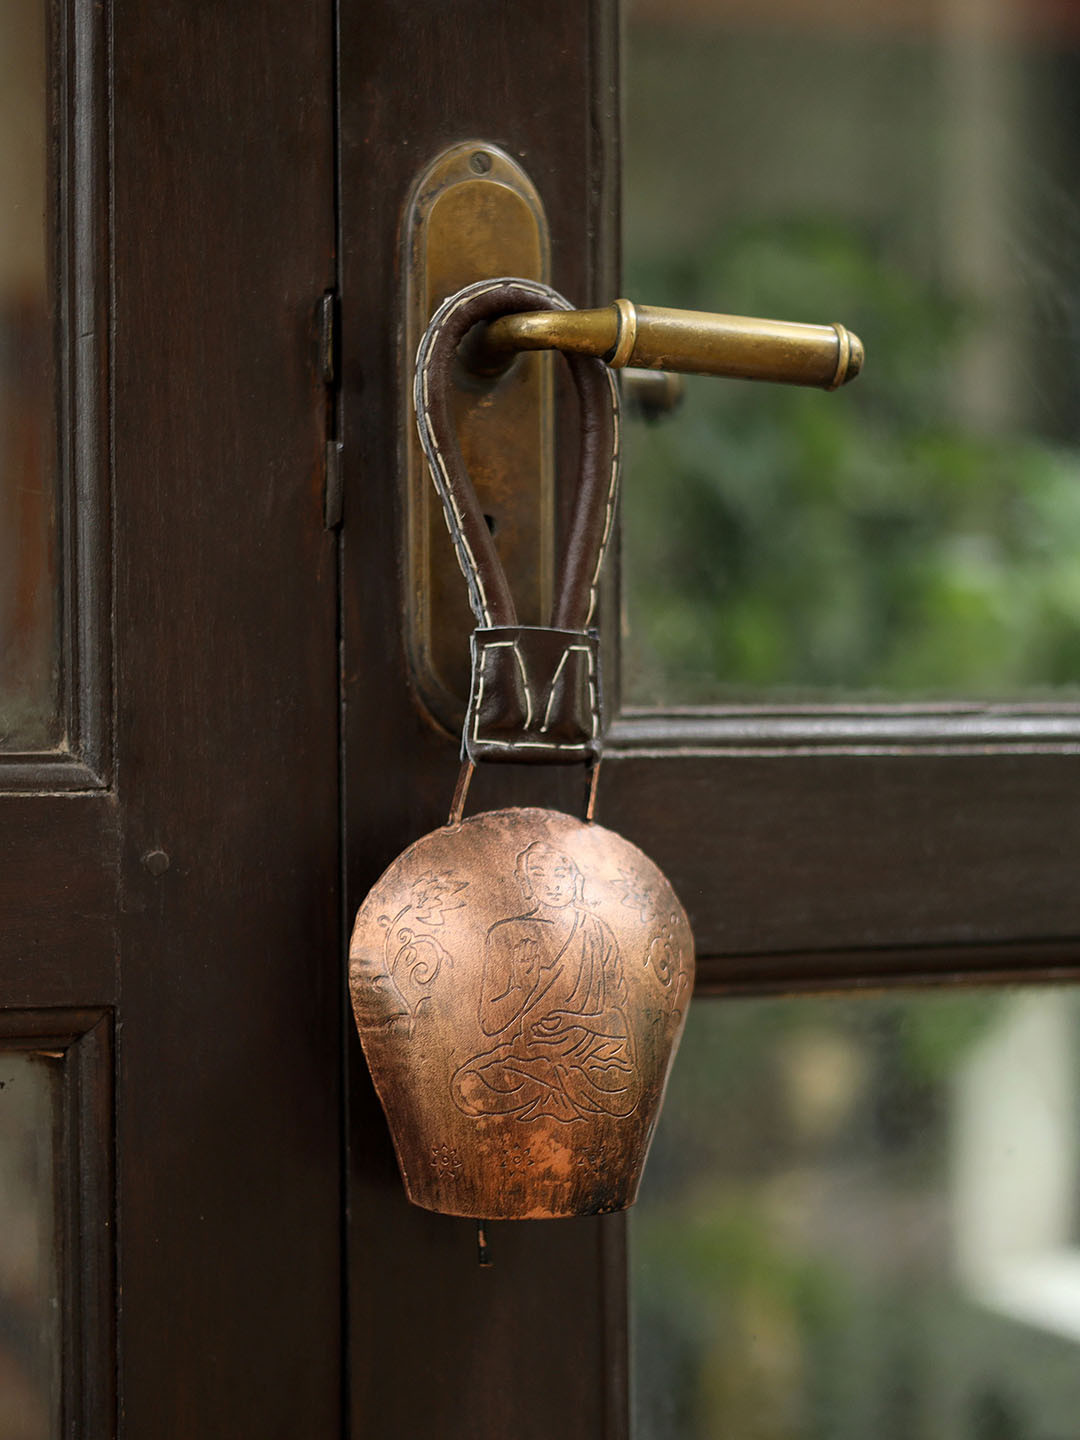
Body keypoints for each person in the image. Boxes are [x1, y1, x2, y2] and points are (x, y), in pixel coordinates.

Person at [451, 841, 641, 1122]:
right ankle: (562, 1085)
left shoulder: (597, 932)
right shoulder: (507, 934)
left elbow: (618, 1020)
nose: (552, 884)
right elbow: (490, 1025)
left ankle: (555, 1082)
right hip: (525, 1057)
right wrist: (522, 988)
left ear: (576, 879)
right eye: (539, 874)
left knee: (627, 1089)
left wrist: (575, 1022)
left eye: (561, 873)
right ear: (525, 884)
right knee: (468, 1086)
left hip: (589, 1057)